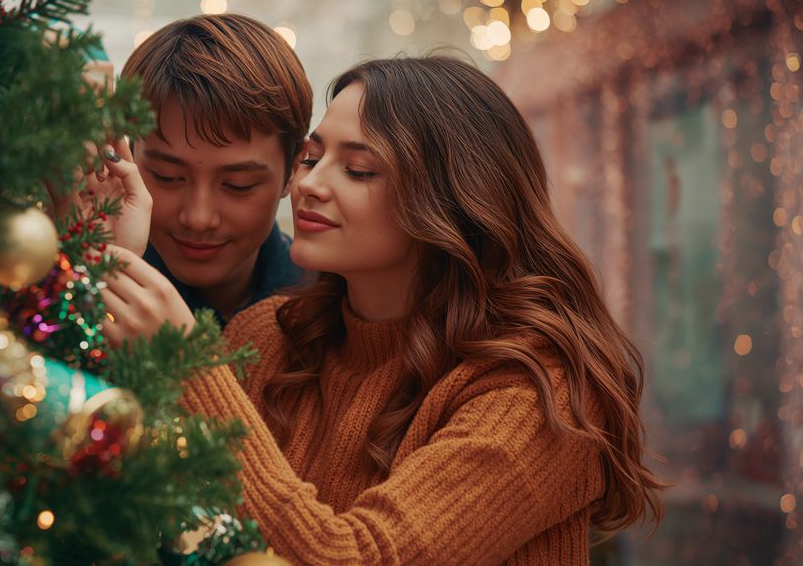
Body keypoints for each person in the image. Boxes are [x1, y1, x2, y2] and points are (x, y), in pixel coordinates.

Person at [98, 55, 664, 563]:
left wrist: (193, 371)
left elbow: (351, 556)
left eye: (359, 169)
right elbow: (147, 515)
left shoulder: (534, 391)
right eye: (313, 159)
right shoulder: (271, 334)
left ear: (452, 196)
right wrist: (107, 256)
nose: (310, 186)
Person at [51, 14, 312, 325]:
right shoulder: (59, 283)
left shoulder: (337, 308)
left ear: (294, 169)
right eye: (168, 177)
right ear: (129, 153)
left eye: (238, 185)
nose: (198, 218)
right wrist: (93, 271)